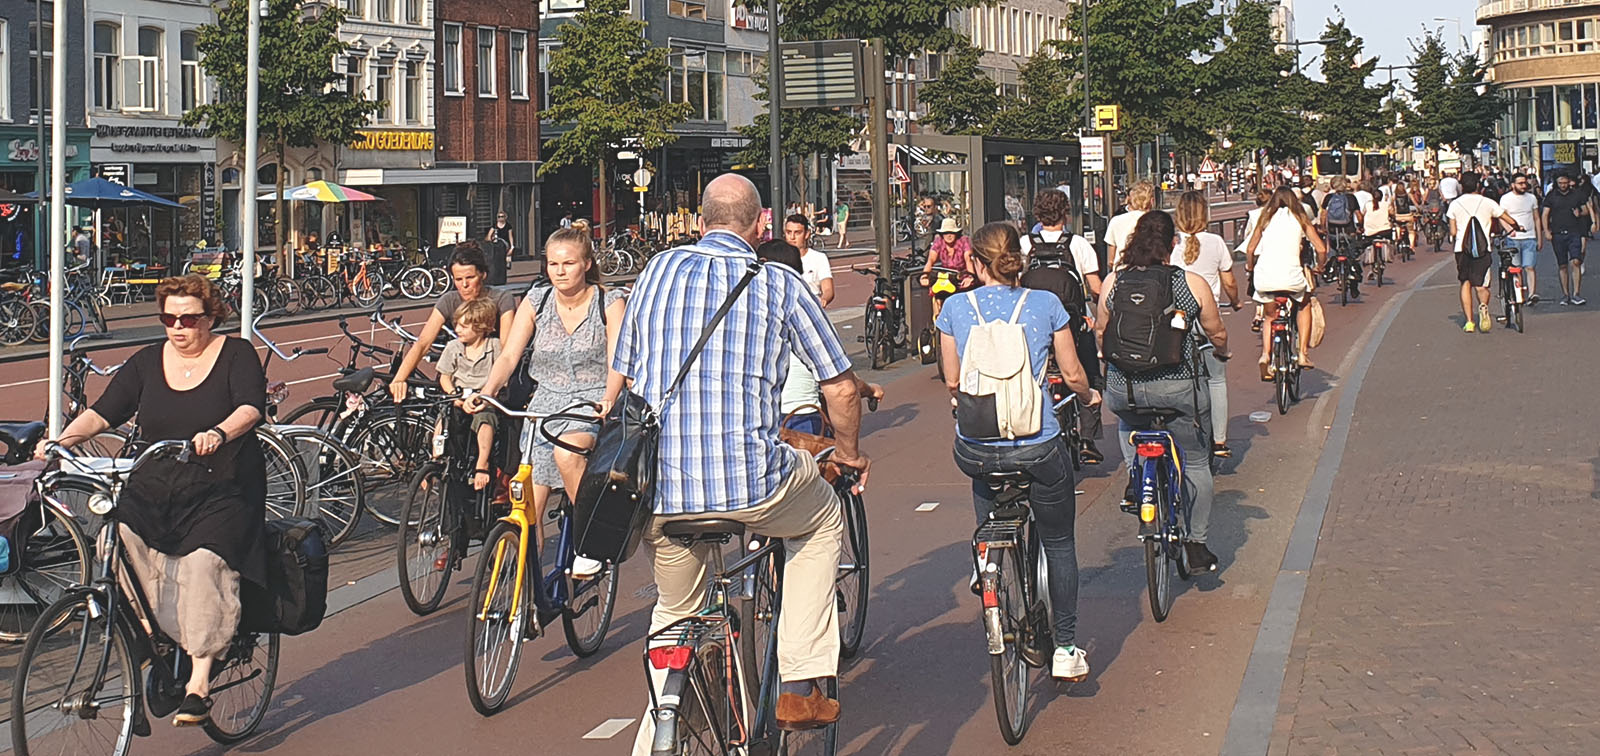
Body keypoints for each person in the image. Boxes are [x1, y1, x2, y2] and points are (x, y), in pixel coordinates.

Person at [620, 174, 868, 752]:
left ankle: (661, 722)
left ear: (699, 221)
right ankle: (800, 683)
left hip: (661, 487)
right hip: (750, 480)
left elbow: (629, 371)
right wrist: (849, 454)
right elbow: (839, 387)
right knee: (823, 518)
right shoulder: (779, 281)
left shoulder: (655, 271)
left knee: (674, 612)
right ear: (760, 226)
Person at [42, 274, 267, 726]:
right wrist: (60, 441)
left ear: (211, 318)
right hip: (157, 482)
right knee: (116, 541)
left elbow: (250, 407)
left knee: (204, 563)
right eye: (169, 318)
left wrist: (219, 432)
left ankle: (199, 680)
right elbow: (104, 412)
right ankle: (152, 632)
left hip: (221, 483)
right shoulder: (147, 361)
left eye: (189, 319)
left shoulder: (235, 354)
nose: (178, 327)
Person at [937, 221, 1100, 682]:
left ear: (975, 262)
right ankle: (1065, 648)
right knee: (1059, 542)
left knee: (981, 463)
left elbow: (952, 380)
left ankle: (986, 553)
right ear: (1019, 260)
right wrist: (1089, 396)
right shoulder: (1046, 304)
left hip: (977, 444)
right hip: (1036, 443)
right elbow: (1072, 373)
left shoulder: (954, 307)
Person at [469, 228, 625, 576]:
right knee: (527, 510)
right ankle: (527, 592)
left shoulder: (609, 302)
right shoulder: (536, 300)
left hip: (589, 402)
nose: (560, 271)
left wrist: (608, 398)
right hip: (544, 406)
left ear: (586, 264)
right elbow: (509, 356)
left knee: (567, 454)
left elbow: (618, 359)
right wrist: (488, 391)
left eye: (568, 263)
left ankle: (591, 537)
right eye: (553, 264)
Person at [1096, 211, 1228, 572]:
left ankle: (1136, 478)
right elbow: (1216, 331)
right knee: (1197, 461)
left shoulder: (1114, 282)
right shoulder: (1190, 283)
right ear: (1173, 243)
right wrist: (1222, 351)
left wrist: (1109, 359)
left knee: (1129, 422)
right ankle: (1196, 544)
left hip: (1126, 389)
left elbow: (1101, 331)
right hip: (1178, 388)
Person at [756, 240, 883, 435]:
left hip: (757, 422)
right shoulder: (805, 319)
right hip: (799, 419)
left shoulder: (747, 317)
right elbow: (842, 384)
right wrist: (870, 390)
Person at [1019, 188, 1106, 465]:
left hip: (1032, 329)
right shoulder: (1078, 244)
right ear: (1065, 214)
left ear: (1037, 214)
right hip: (1072, 325)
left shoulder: (1025, 244)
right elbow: (1096, 288)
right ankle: (1088, 439)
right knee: (1090, 372)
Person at [389, 244, 518, 403]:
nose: (464, 285)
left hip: (490, 376)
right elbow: (423, 343)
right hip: (459, 377)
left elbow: (507, 348)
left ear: (483, 274)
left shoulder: (502, 299)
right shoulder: (449, 300)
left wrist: (494, 387)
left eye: (470, 278)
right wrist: (399, 379)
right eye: (458, 279)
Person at [1172, 191, 1240, 459]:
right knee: (1217, 379)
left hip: (1178, 321)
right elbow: (1229, 282)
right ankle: (1220, 440)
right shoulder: (1216, 242)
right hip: (1206, 319)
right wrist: (1235, 302)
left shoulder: (1172, 244)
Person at [1247, 187, 1328, 374]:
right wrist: (1320, 266)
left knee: (1270, 316)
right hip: (1292, 278)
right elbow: (1321, 249)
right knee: (1304, 304)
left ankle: (1265, 355)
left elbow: (1250, 249)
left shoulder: (1265, 218)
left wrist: (1250, 268)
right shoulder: (1300, 218)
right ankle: (1303, 353)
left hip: (1266, 277)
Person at [436, 297, 502, 492]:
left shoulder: (494, 346)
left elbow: (500, 378)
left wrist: (485, 396)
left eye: (464, 326)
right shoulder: (453, 347)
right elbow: (445, 377)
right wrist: (453, 395)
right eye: (456, 324)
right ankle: (435, 460)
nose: (457, 329)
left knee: (485, 420)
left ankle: (482, 464)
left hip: (484, 399)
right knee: (442, 421)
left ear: (481, 327)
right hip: (459, 396)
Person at [1449, 172, 1524, 332]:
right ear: (1478, 185)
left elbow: (1453, 231)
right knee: (1482, 284)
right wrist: (1517, 226)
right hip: (1483, 249)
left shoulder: (1455, 204)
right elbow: (1507, 219)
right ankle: (1483, 306)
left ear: (1462, 186)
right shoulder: (1488, 202)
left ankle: (1469, 322)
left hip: (1462, 249)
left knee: (1465, 282)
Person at [1542, 172, 1591, 306]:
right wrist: (1546, 231)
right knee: (1562, 265)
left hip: (1574, 232)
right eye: (1560, 183)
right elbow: (1545, 214)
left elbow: (1586, 210)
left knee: (1576, 261)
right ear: (1557, 183)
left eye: (1565, 183)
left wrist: (1579, 213)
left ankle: (1576, 293)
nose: (1563, 185)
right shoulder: (1551, 196)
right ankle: (1565, 294)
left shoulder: (1577, 194)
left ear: (1569, 182)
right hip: (1558, 233)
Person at [1499, 173, 1544, 304]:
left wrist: (1539, 237)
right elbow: (1502, 217)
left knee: (1530, 267)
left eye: (1525, 183)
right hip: (1513, 238)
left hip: (1530, 237)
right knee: (1516, 267)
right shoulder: (1505, 199)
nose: (1523, 185)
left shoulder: (1531, 198)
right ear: (1513, 185)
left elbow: (1536, 218)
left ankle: (1532, 294)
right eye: (1520, 183)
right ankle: (1519, 294)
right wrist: (1510, 230)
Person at [782, 214, 835, 307]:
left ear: (807, 234)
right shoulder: (779, 259)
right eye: (788, 232)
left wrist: (823, 299)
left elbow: (828, 289)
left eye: (797, 233)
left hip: (811, 306)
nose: (792, 237)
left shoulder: (819, 258)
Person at [922, 218, 975, 304]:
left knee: (964, 294)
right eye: (946, 233)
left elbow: (968, 259)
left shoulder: (963, 241)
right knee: (935, 292)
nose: (949, 235)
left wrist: (970, 277)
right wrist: (925, 275)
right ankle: (938, 311)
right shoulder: (939, 241)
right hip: (945, 276)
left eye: (951, 232)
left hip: (961, 276)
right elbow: (930, 260)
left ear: (956, 233)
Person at [1105, 181, 1155, 269]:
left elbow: (1110, 259)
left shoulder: (1115, 220)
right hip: (1149, 270)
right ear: (1152, 201)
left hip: (1121, 271)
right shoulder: (1155, 221)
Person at [1361, 177, 1396, 273]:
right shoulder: (1386, 204)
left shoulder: (1368, 205)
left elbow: (1363, 214)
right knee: (1390, 241)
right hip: (1385, 231)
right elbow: (1392, 213)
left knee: (1368, 244)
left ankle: (1372, 266)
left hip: (1370, 232)